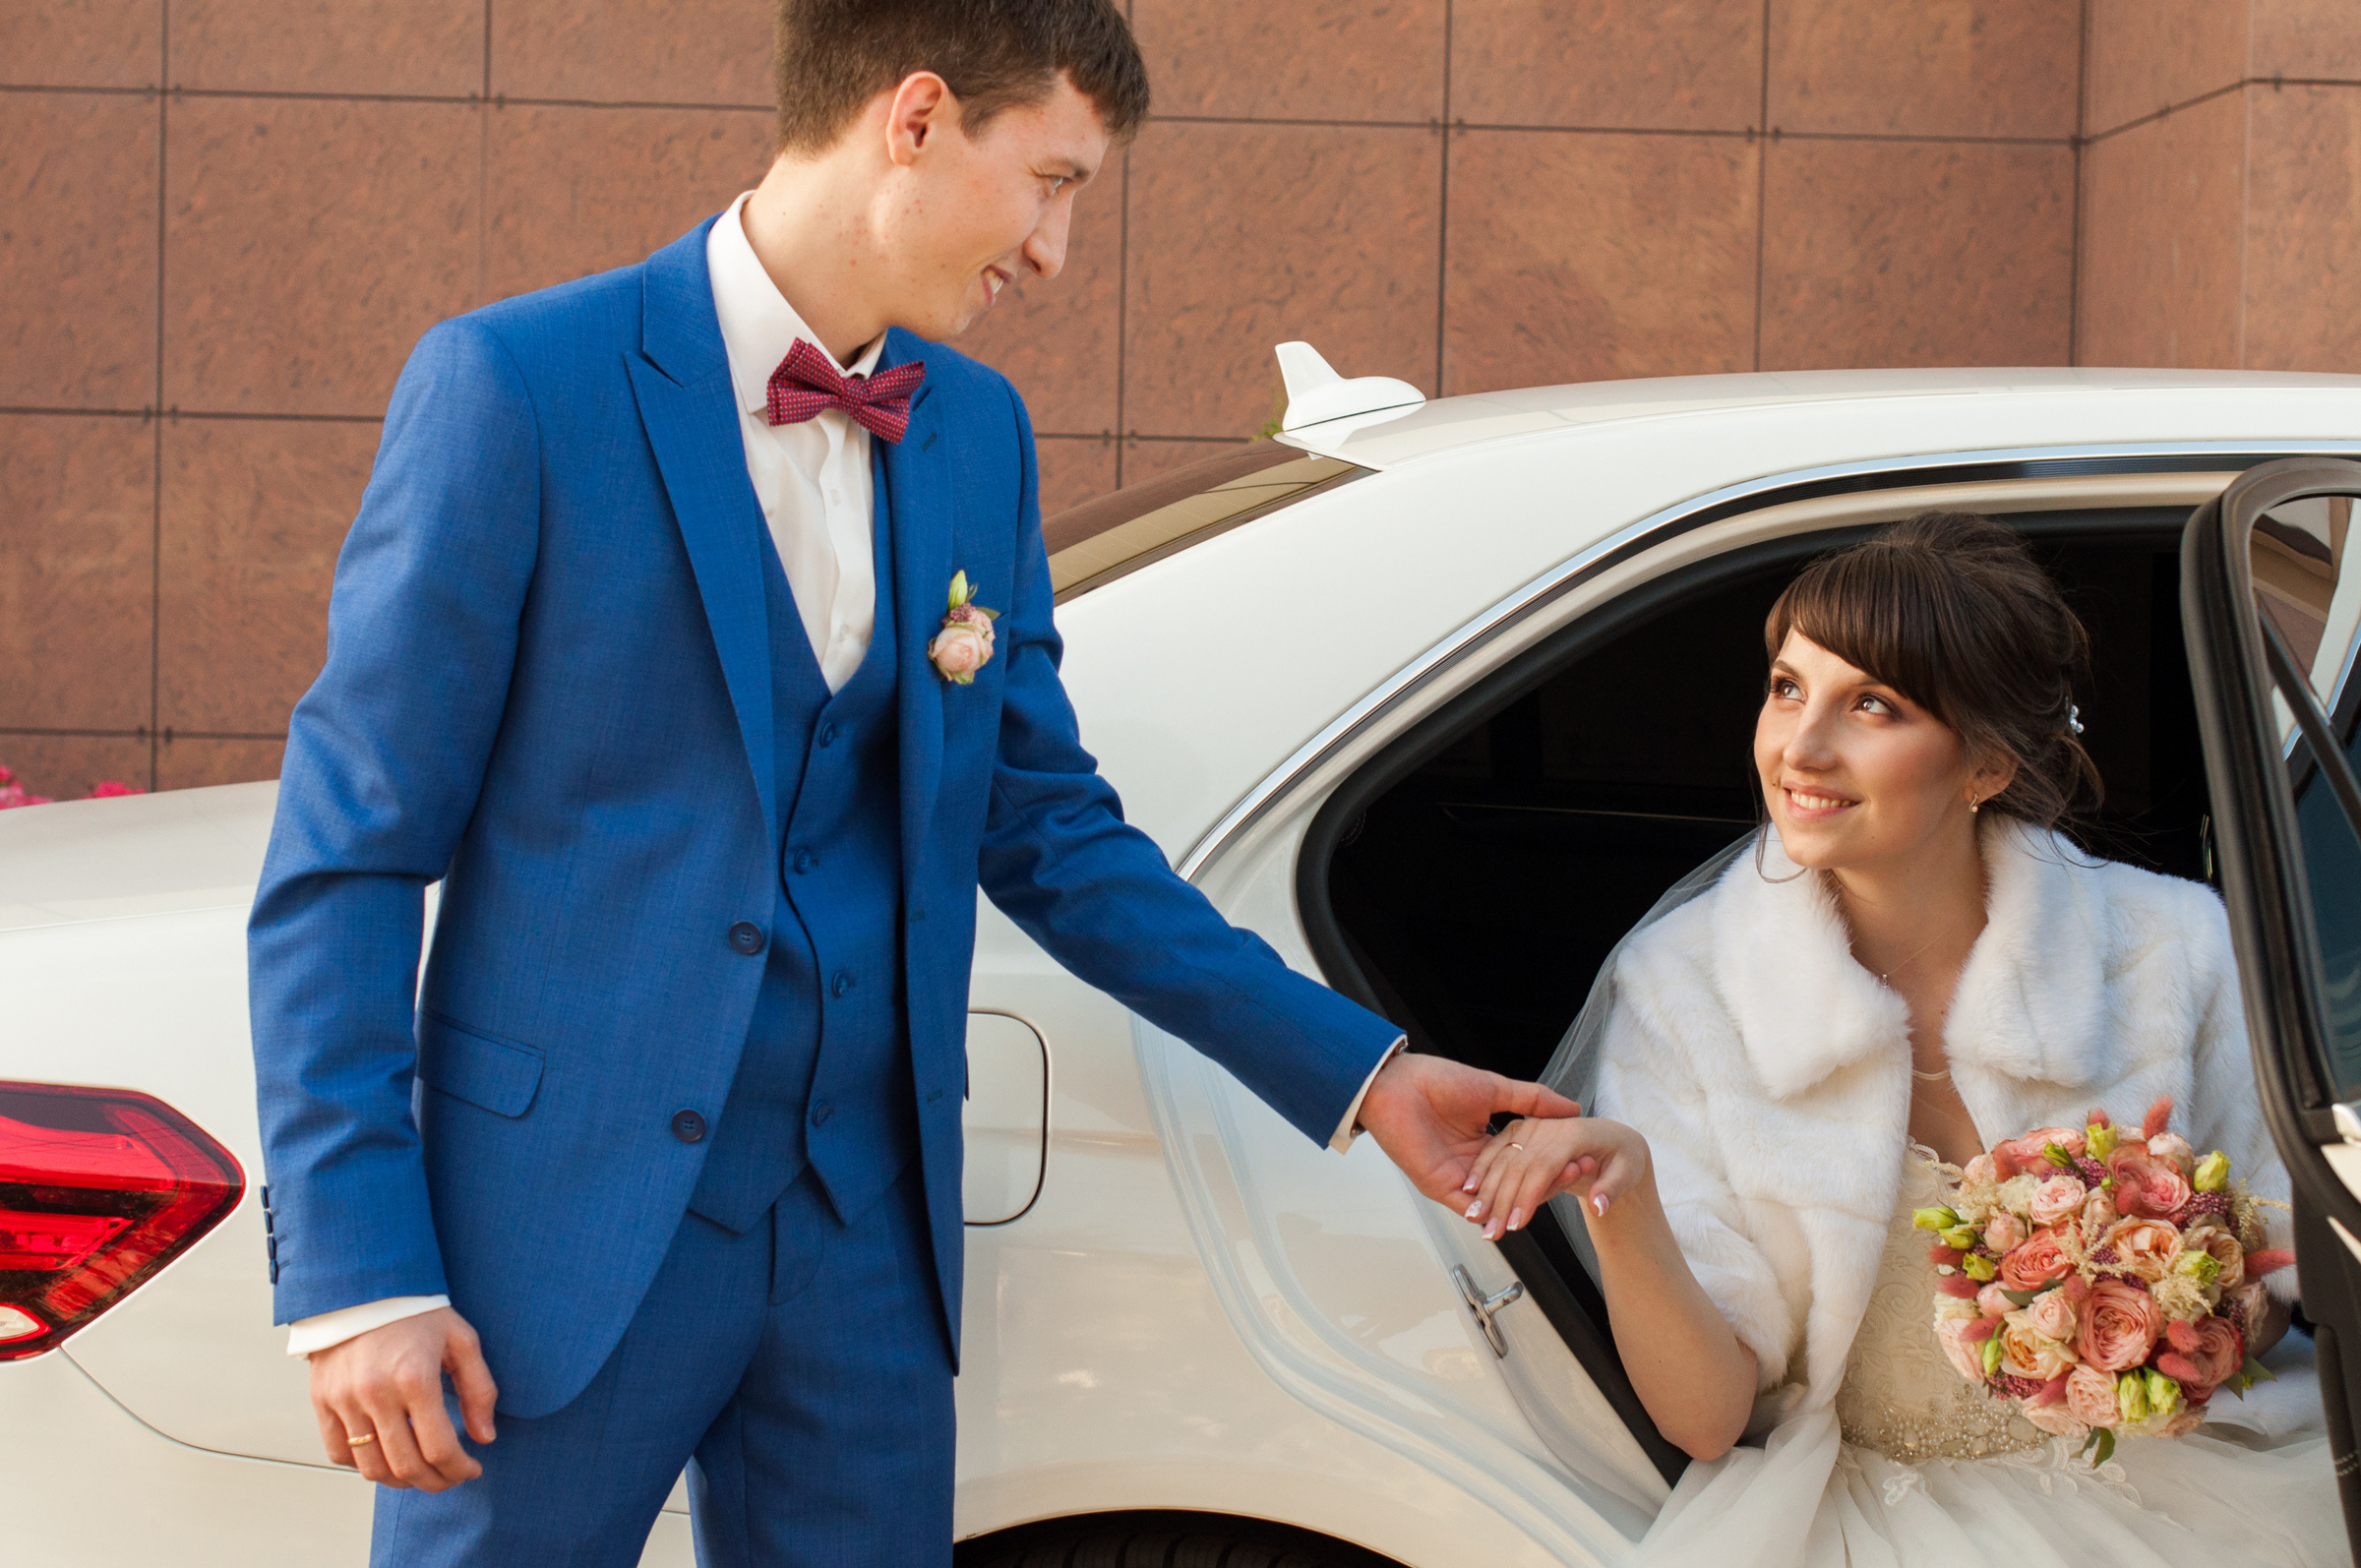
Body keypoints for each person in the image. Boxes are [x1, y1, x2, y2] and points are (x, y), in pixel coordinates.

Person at [245, 5, 1573, 1564]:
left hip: (862, 1238)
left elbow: (1048, 823)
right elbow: (346, 850)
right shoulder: (518, 387)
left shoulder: (977, 433)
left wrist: (1359, 1072)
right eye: (1054, 181)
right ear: (918, 115)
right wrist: (357, 1275)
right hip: (557, 1233)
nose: (1056, 253)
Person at [1465, 512, 2340, 1565]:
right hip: (1868, 1520)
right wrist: (1627, 1193)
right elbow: (1706, 1419)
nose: (1801, 746)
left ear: (1986, 763)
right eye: (1787, 687)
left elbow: (2287, 1268)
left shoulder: (2175, 947)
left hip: (2184, 1493)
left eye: (1870, 704)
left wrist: (2185, 1324)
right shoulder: (1684, 990)